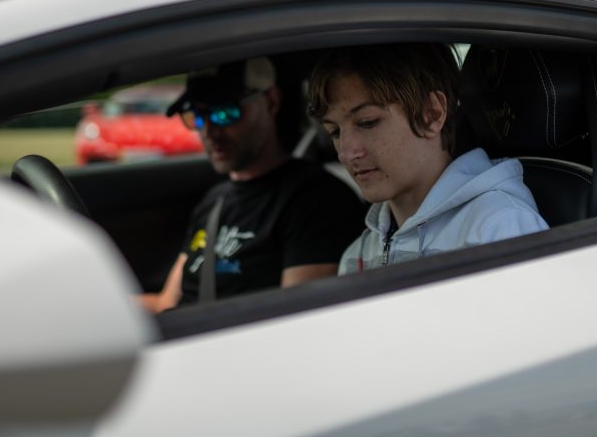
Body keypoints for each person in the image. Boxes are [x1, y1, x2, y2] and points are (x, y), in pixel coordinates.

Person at [141, 57, 365, 312]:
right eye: (198, 117)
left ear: (271, 101)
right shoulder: (214, 201)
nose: (209, 131)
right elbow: (165, 303)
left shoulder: (318, 200)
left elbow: (296, 319)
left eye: (224, 112)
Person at [307, 43, 548, 274]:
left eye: (367, 122)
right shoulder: (357, 255)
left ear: (431, 114)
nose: (346, 153)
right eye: (335, 132)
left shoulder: (497, 228)